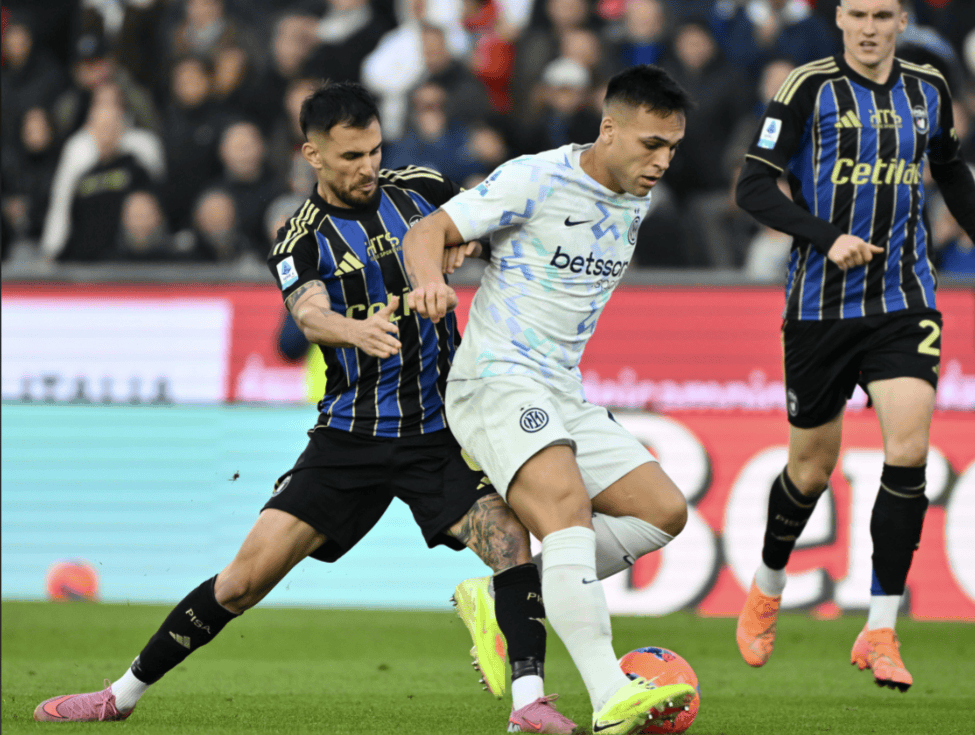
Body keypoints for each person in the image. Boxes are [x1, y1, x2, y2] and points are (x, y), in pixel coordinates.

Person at [32, 81, 578, 735]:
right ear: (311, 154)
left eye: (374, 150)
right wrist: (355, 331)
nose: (367, 167)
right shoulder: (300, 238)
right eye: (350, 156)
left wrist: (468, 246)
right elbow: (309, 314)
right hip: (349, 438)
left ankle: (527, 705)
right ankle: (118, 695)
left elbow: (496, 231)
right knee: (241, 582)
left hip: (439, 431)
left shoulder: (421, 189)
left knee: (511, 541)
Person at [403, 64, 698, 735]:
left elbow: (527, 245)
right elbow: (426, 233)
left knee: (662, 511)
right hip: (496, 380)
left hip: (562, 387)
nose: (662, 161)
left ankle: (510, 592)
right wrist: (429, 281)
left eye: (673, 148)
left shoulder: (636, 197)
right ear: (609, 129)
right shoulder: (535, 177)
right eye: (651, 144)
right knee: (566, 511)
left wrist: (484, 242)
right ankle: (609, 694)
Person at [732, 0, 975, 691]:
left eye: (882, 14)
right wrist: (824, 236)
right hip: (819, 308)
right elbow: (752, 186)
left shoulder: (928, 89)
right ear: (839, 18)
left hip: (904, 298)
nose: (869, 27)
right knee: (810, 469)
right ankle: (767, 584)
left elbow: (950, 170)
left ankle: (880, 628)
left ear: (901, 21)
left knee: (908, 450)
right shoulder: (807, 86)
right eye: (858, 14)